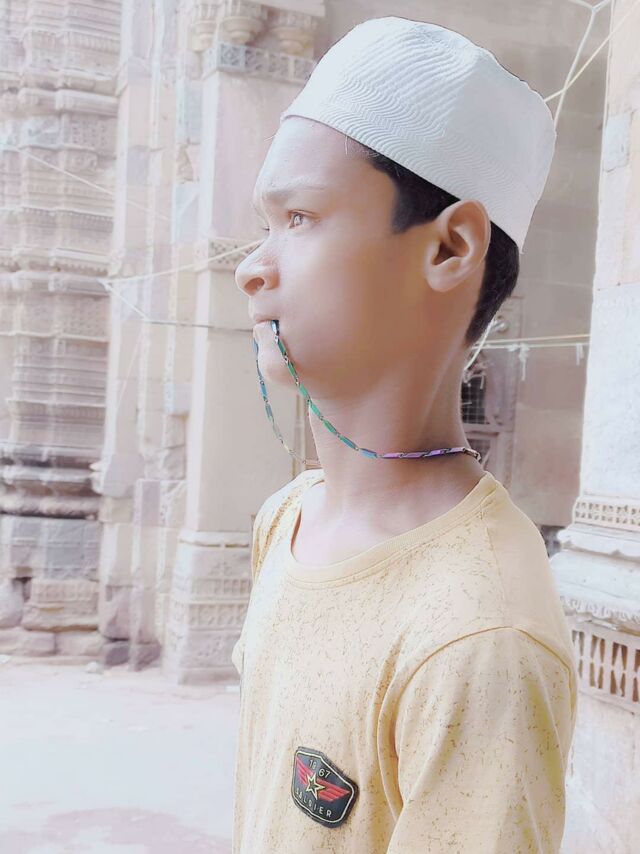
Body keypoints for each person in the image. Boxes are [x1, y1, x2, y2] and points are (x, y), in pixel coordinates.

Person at [232, 15, 578, 853]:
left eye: (301, 218)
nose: (252, 267)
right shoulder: (289, 518)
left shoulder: (481, 635)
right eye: (267, 224)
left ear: (450, 248)